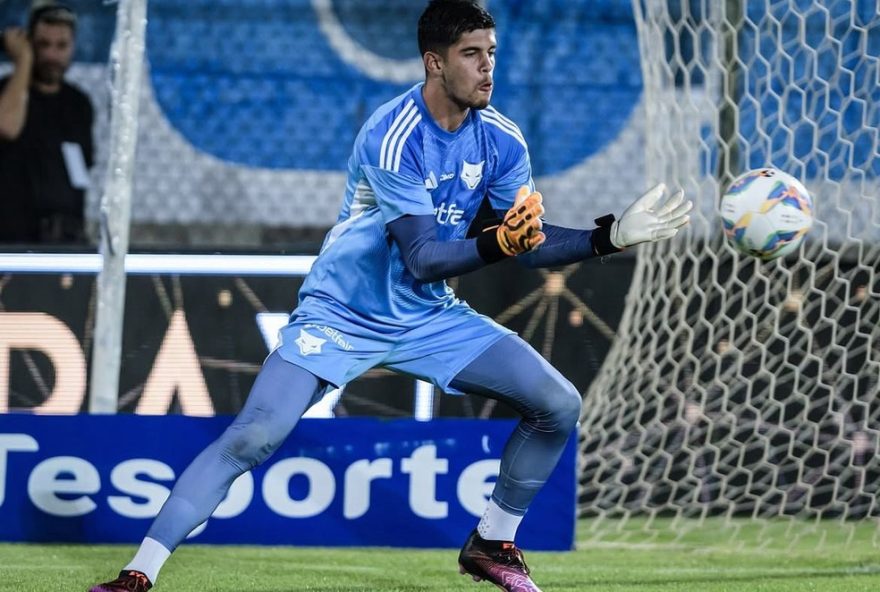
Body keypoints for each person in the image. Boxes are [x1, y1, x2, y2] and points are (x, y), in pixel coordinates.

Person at [90, 1, 691, 591]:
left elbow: (525, 243)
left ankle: (491, 543)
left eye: (492, 54)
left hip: (429, 317)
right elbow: (424, 257)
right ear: (434, 63)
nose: (488, 68)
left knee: (558, 404)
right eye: (471, 55)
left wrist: (606, 237)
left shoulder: (502, 140)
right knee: (255, 435)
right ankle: (138, 574)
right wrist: (498, 244)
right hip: (342, 313)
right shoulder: (393, 132)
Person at [0, 2, 93, 244]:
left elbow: (81, 168)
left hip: (64, 236)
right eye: (44, 45)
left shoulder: (78, 104)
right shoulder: (8, 92)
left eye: (61, 46)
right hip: (12, 236)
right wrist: (23, 63)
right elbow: (7, 126)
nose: (52, 55)